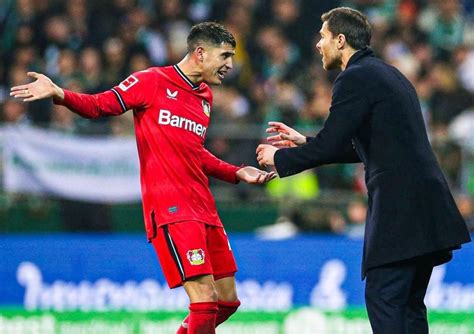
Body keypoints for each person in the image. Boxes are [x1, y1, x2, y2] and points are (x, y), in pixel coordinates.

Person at [11, 22, 275, 334]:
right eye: (225, 56)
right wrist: (60, 93)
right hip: (172, 208)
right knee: (204, 302)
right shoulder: (151, 81)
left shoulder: (204, 97)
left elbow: (194, 152)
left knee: (227, 302)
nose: (231, 65)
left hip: (204, 206)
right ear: (201, 53)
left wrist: (235, 171)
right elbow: (100, 105)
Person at [256, 7, 471, 334]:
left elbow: (331, 145)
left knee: (384, 296)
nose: (318, 44)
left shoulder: (354, 78)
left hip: (400, 208)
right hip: (426, 206)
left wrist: (280, 159)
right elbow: (366, 143)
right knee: (408, 305)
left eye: (323, 36)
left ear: (341, 41)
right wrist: (305, 142)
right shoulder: (389, 74)